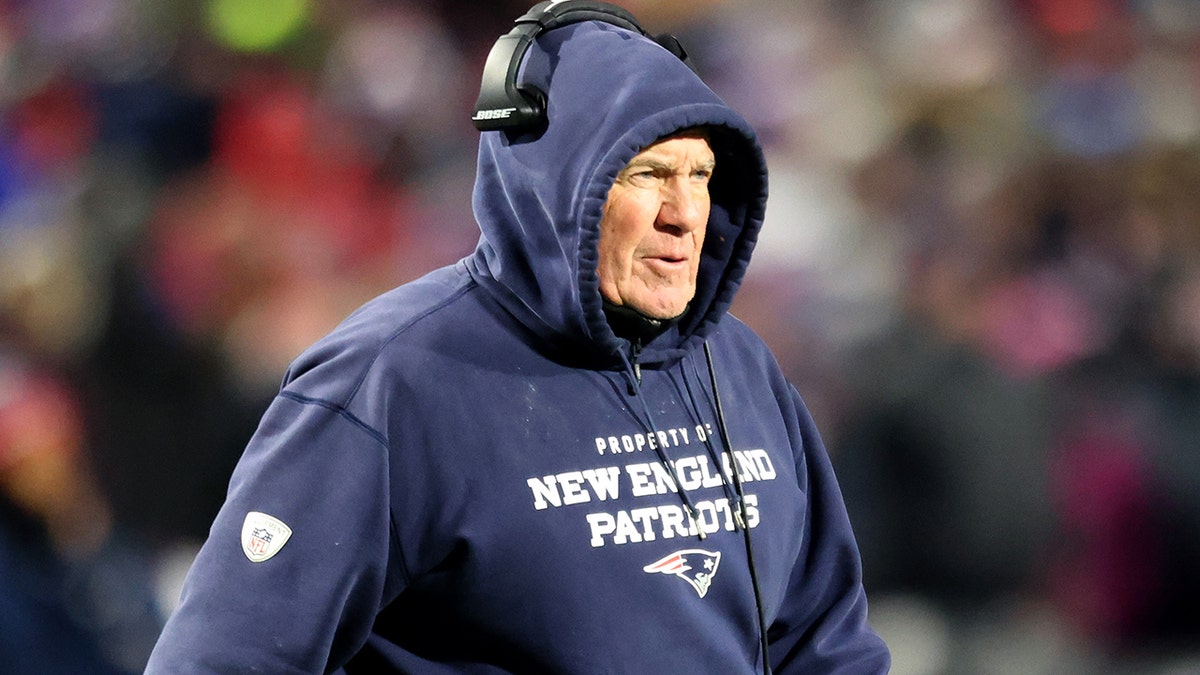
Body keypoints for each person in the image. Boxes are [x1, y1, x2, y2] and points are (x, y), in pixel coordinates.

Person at [146, 2, 890, 672]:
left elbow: (824, 641)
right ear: (556, 184)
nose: (685, 212)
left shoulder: (741, 368)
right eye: (648, 173)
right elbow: (224, 659)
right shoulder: (390, 381)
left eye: (701, 175)